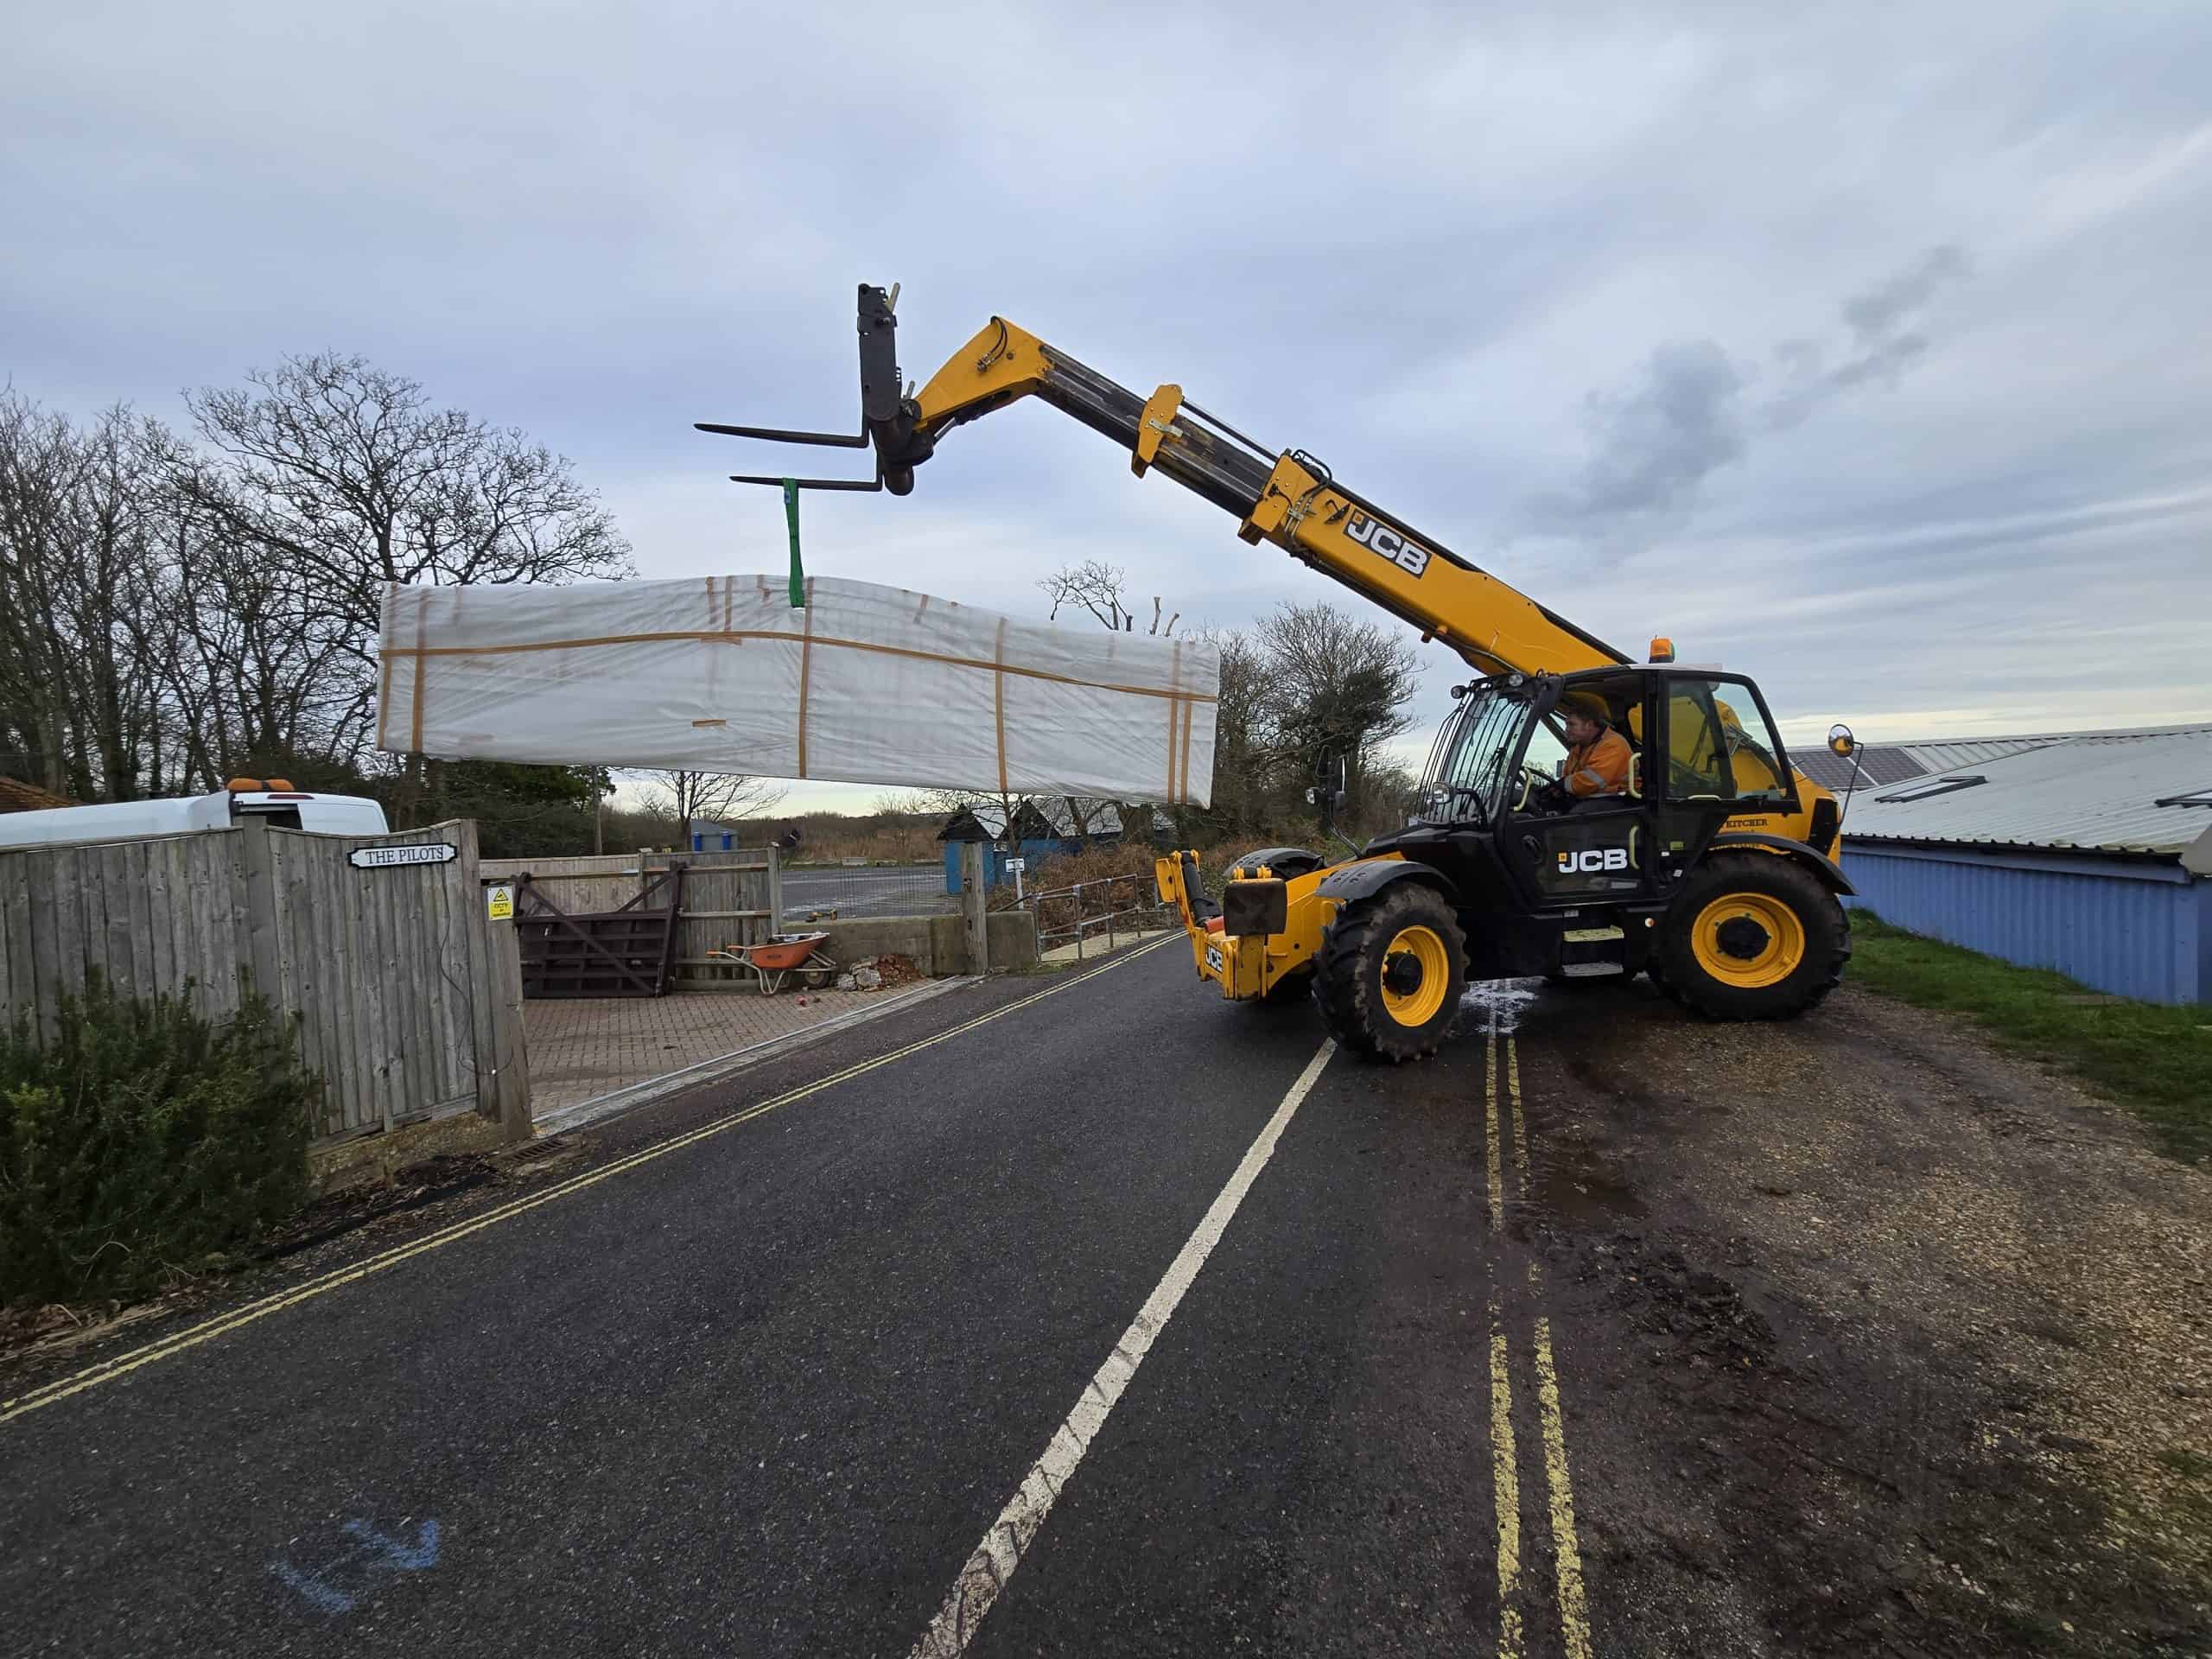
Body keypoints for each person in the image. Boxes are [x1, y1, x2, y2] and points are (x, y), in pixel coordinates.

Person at [1558, 700, 1633, 802]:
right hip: (1591, 800)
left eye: (1571, 725)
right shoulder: (1577, 749)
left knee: (1573, 817)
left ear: (1588, 725)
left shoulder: (1613, 744)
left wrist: (1562, 785)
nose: (1566, 730)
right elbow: (1567, 777)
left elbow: (1592, 782)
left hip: (1619, 800)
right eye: (1567, 725)